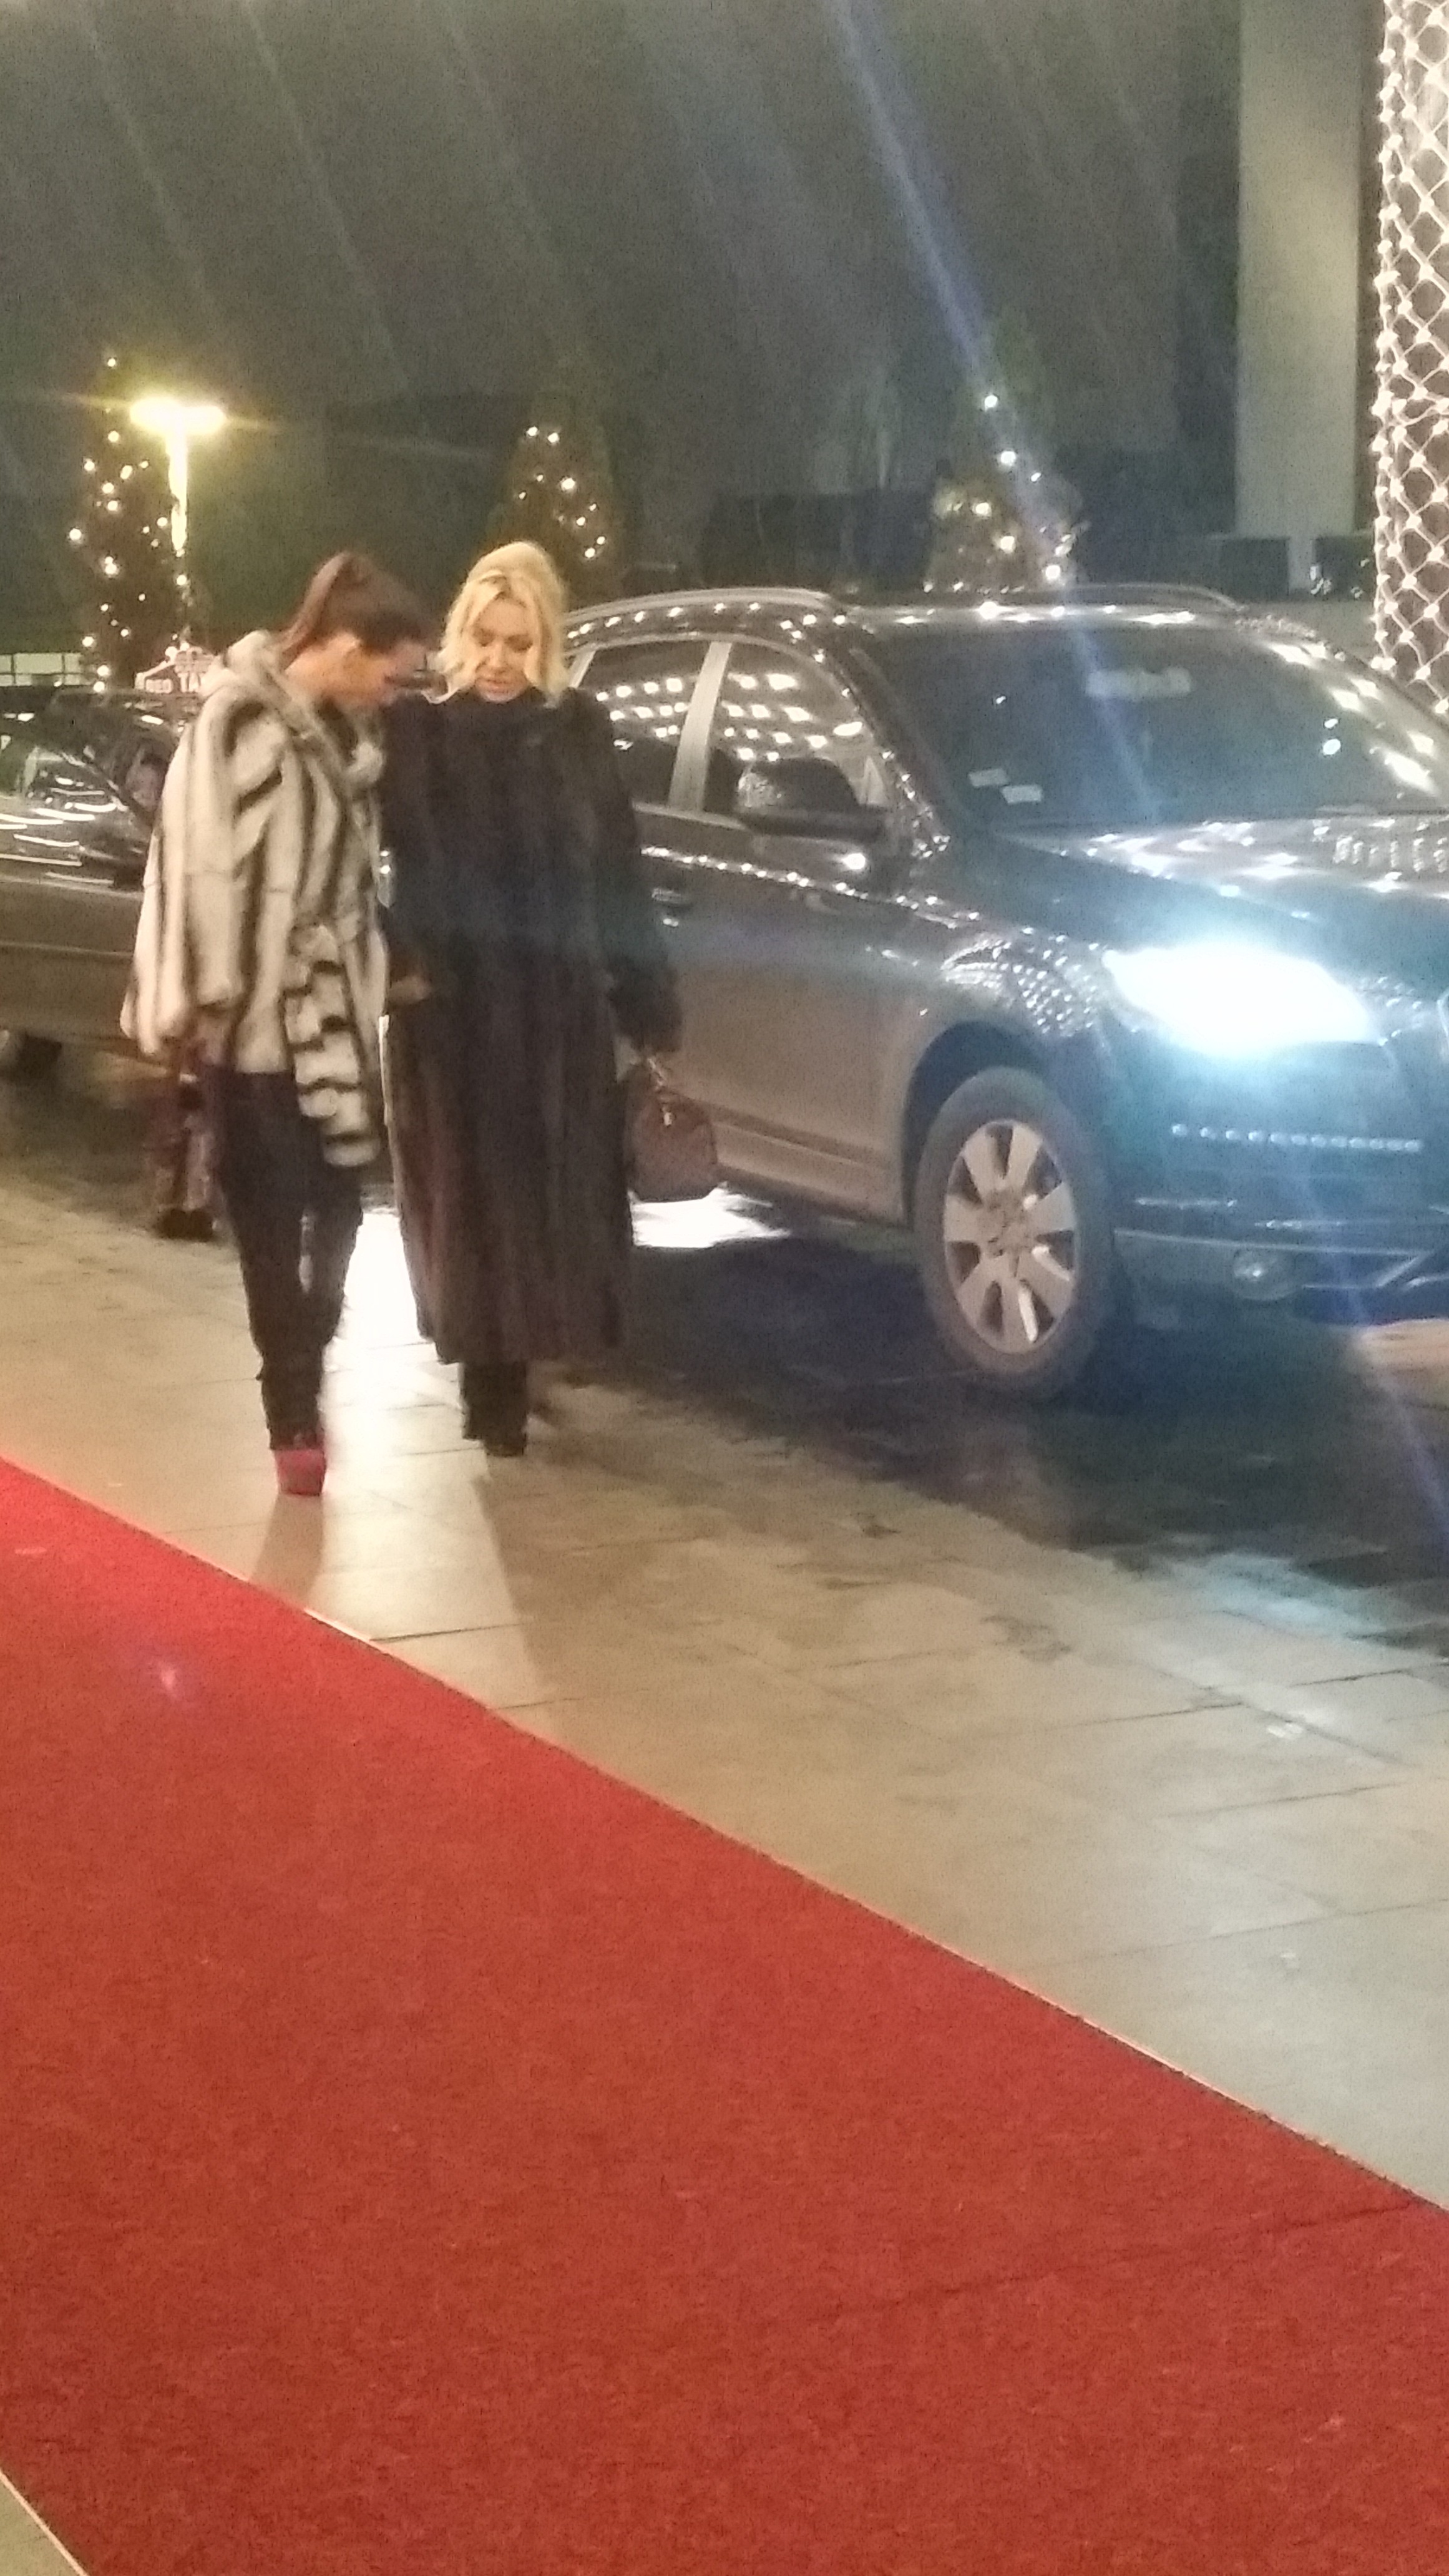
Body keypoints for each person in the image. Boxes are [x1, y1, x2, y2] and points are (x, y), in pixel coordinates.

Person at [124, 554, 431, 1495]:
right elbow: (185, 867)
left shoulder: (356, 740)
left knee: (342, 1206)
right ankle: (289, 1403)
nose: (396, 691)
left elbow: (355, 883)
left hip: (334, 1010)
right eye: (392, 672)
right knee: (267, 1220)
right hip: (248, 1018)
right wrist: (197, 1000)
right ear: (346, 645)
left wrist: (382, 961)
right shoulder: (232, 724)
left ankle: (305, 1349)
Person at [381, 539, 681, 1458]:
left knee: (555, 1198)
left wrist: (644, 995)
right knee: (471, 1206)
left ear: (546, 643)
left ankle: (533, 1352)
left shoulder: (576, 731)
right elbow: (369, 865)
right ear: (460, 635)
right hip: (455, 1017)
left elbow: (618, 869)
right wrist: (402, 965)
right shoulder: (419, 735)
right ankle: (491, 1389)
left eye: (519, 642)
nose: (500, 660)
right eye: (485, 638)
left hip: (559, 1012)